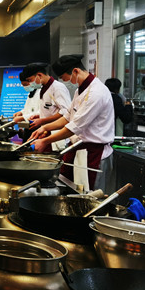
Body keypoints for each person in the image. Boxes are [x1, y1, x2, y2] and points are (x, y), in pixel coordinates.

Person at [29, 54, 115, 192]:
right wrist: (44, 128)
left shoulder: (96, 92)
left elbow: (74, 127)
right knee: (71, 191)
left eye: (64, 78)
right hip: (79, 149)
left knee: (90, 197)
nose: (65, 82)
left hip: (94, 154)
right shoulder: (79, 90)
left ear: (75, 71)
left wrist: (45, 141)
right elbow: (68, 117)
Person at [15, 62, 71, 132]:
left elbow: (66, 112)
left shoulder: (58, 88)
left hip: (57, 131)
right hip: (46, 130)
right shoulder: (44, 89)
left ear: (39, 75)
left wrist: (42, 120)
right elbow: (50, 111)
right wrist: (39, 116)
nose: (30, 83)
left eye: (30, 80)